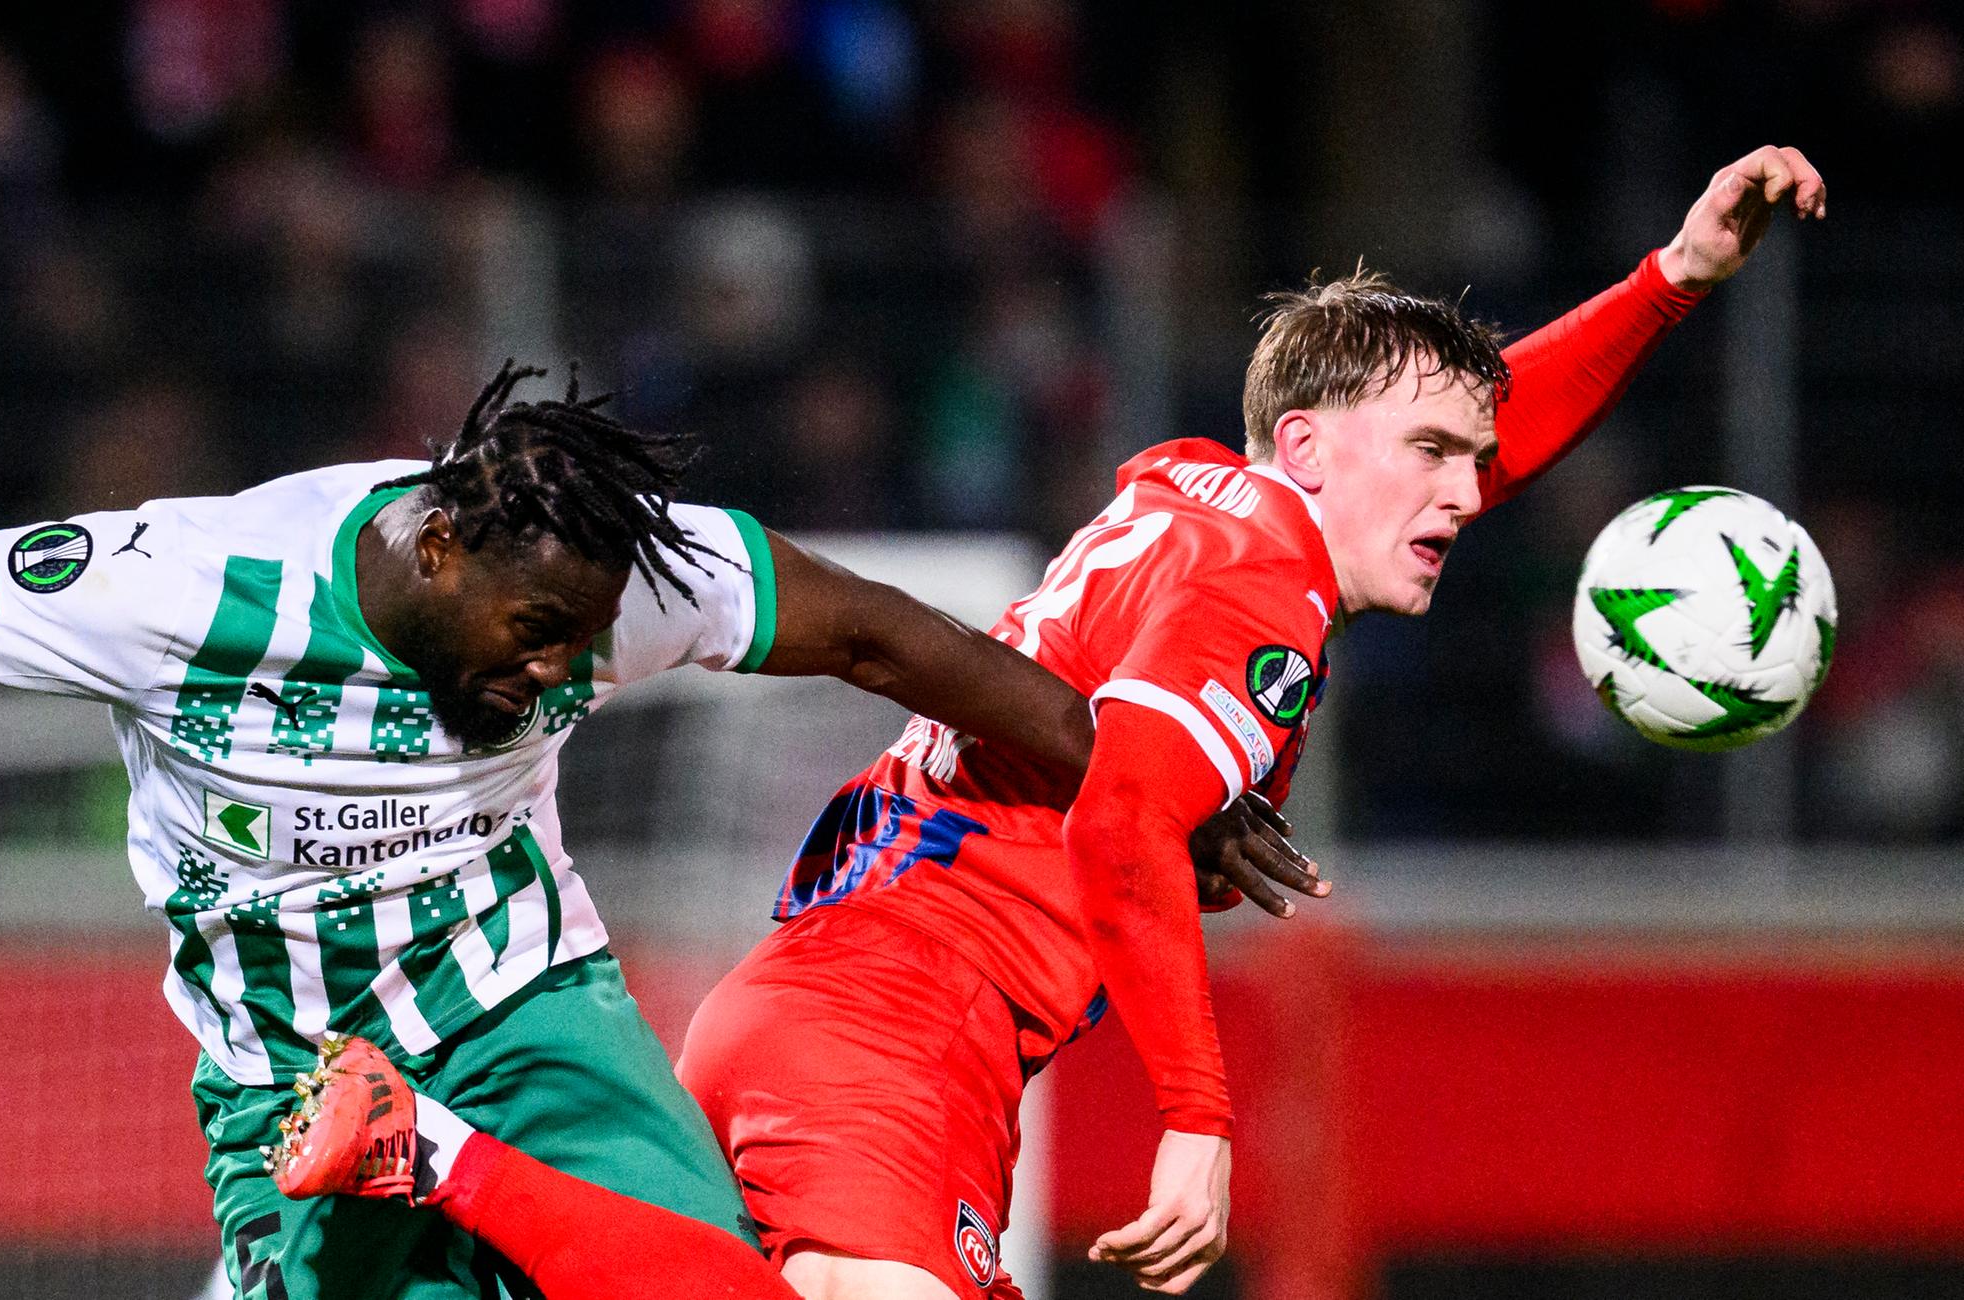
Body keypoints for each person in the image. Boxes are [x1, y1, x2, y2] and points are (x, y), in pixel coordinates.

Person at [253, 145, 1828, 1300]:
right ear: (1304, 443)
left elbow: (1452, 439)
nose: (1464, 492)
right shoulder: (1263, 585)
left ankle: (429, 1156)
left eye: (1469, 463)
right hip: (896, 1036)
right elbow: (1128, 812)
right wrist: (1200, 1123)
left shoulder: (1200, 494)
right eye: (1429, 452)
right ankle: (425, 1151)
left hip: (839, 1008)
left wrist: (1670, 284)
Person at [0, 362, 1313, 1300]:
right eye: (532, 635)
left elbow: (905, 645)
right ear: (440, 543)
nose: (558, 670)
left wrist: (1140, 786)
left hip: (525, 1005)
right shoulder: (188, 578)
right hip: (278, 1074)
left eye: (583, 644)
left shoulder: (626, 581)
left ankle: (444, 1151)